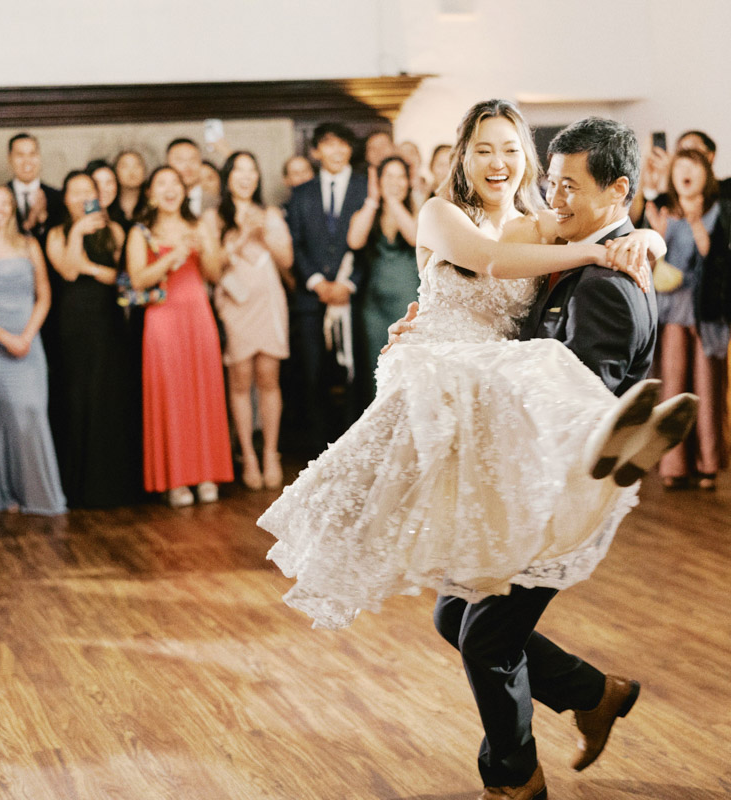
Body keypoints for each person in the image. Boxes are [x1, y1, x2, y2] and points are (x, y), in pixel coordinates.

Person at [262, 103, 696, 797]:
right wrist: (595, 246)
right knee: (448, 609)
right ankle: (592, 693)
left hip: (505, 422)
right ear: (462, 156)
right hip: (442, 384)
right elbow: (498, 258)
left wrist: (642, 236)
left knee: (477, 630)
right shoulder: (444, 214)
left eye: (511, 150)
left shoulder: (546, 228)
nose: (500, 163)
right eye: (485, 149)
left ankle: (515, 777)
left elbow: (612, 224)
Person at [127, 166, 232, 506]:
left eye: (175, 183)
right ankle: (175, 479)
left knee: (203, 391)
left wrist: (208, 245)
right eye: (161, 183)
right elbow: (138, 280)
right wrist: (173, 255)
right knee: (171, 394)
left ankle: (205, 474)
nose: (170, 189)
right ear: (150, 194)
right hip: (162, 318)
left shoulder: (199, 224)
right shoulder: (140, 232)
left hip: (198, 314)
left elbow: (213, 274)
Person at [0, 186, 65, 515]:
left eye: (5, 203)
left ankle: (33, 494)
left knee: (33, 412)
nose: (0, 208)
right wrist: (6, 338)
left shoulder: (29, 245)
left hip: (29, 339)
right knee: (9, 417)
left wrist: (27, 336)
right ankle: (10, 493)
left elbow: (44, 294)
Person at [46, 171, 136, 507]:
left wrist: (91, 267)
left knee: (108, 395)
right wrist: (78, 234)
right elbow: (68, 271)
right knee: (78, 395)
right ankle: (79, 488)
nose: (83, 197)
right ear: (66, 198)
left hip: (108, 318)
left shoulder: (113, 230)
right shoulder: (57, 232)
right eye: (75, 192)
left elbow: (121, 276)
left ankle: (112, 485)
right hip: (73, 320)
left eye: (89, 191)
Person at [653, 148, 731, 490]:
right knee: (672, 386)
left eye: (693, 166)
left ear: (706, 173)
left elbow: (715, 258)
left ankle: (708, 464)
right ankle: (674, 464)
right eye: (680, 167)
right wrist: (658, 233)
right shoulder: (663, 212)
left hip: (706, 309)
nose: (686, 172)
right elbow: (655, 261)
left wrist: (694, 220)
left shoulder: (720, 211)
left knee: (707, 387)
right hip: (672, 307)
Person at [210, 151, 294, 491]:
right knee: (241, 378)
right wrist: (242, 235)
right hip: (235, 305)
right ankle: (247, 454)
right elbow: (212, 269)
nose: (246, 176)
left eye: (252, 170)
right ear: (227, 176)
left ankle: (271, 453)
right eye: (239, 170)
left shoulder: (270, 213)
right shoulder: (214, 218)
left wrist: (264, 234)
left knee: (268, 377)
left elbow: (287, 260)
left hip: (269, 303)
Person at [285, 122, 369, 451]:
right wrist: (317, 283)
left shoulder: (365, 189)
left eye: (342, 144)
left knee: (355, 374)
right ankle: (320, 452)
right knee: (313, 376)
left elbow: (371, 244)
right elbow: (296, 243)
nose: (336, 151)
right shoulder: (301, 193)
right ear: (316, 151)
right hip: (311, 299)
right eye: (328, 145)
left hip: (355, 298)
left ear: (349, 149)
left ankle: (356, 450)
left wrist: (348, 284)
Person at [347, 154, 420, 398]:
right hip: (374, 307)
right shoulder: (369, 211)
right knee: (376, 370)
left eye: (401, 176)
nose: (395, 182)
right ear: (378, 180)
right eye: (389, 176)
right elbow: (355, 241)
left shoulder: (418, 208)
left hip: (409, 302)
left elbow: (415, 237)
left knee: (409, 370)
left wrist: (393, 201)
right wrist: (373, 200)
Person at [6, 133, 64, 244]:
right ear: (9, 159)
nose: (27, 161)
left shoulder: (57, 197)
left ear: (39, 157)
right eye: (20, 155)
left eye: (32, 154)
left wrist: (43, 219)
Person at [166, 138, 206, 216]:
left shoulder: (216, 201)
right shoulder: (158, 201)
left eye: (193, 159)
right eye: (180, 160)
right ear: (167, 164)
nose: (187, 166)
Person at [111, 150, 148, 229]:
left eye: (137, 165)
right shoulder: (109, 204)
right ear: (115, 172)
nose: (132, 172)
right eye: (125, 166)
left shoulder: (151, 202)